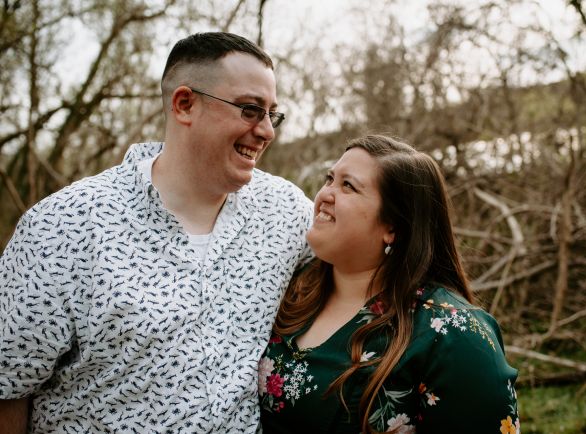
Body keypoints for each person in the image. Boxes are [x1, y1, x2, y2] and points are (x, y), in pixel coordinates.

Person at [0, 32, 313, 433]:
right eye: (250, 110)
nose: (267, 131)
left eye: (273, 114)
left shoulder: (286, 212)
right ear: (185, 104)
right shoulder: (62, 226)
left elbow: (371, 267)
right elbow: (7, 387)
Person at [258, 135, 520, 433]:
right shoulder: (291, 290)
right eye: (330, 179)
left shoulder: (453, 334)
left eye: (348, 186)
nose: (325, 194)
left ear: (393, 226)